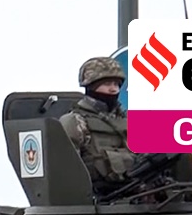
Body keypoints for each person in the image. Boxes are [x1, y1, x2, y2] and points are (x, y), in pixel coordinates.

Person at [59, 56, 139, 190]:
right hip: (99, 200)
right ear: (91, 86)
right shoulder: (75, 122)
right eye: (107, 84)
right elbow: (66, 170)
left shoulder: (130, 121)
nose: (113, 89)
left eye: (116, 84)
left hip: (139, 195)